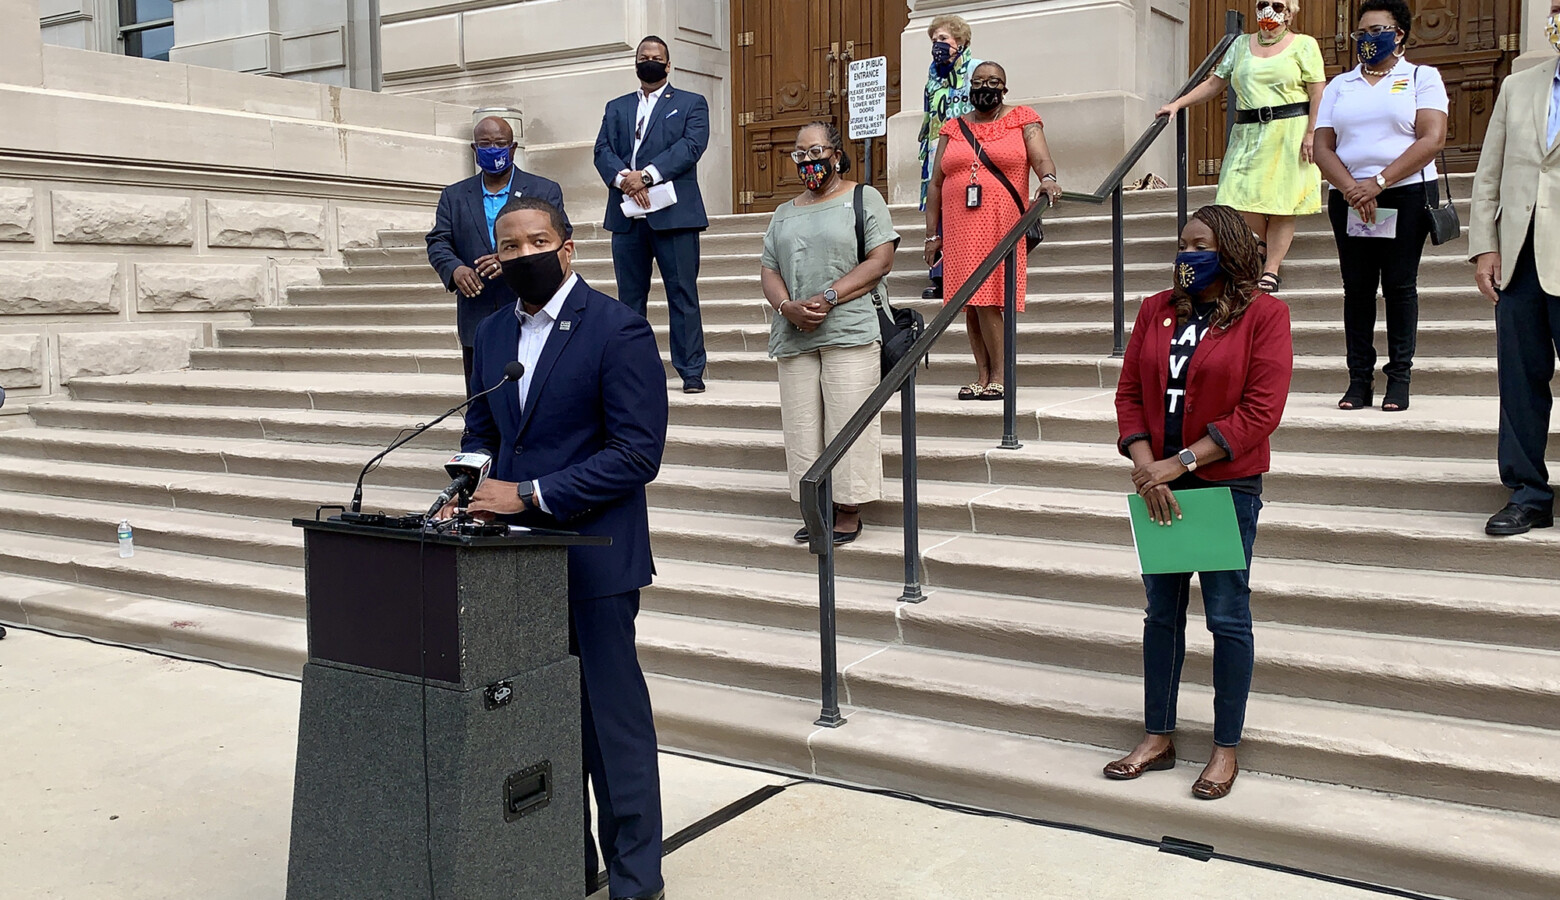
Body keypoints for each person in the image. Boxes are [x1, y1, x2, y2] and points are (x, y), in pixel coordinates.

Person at [456, 196, 669, 900]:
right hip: (513, 565)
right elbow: (485, 426)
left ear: (568, 247)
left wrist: (530, 493)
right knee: (535, 723)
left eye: (536, 242)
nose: (523, 257)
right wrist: (473, 478)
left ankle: (636, 881)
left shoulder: (618, 330)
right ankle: (560, 864)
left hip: (595, 558)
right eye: (509, 248)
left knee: (612, 730)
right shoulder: (489, 334)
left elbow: (637, 455)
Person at [1108, 204, 1294, 800]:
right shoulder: (1154, 311)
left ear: (1232, 249)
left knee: (1226, 617)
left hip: (1224, 487)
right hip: (1158, 485)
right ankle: (1158, 735)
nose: (1186, 254)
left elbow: (1260, 412)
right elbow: (1131, 392)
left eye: (1199, 243)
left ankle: (1223, 748)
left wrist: (1181, 462)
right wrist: (1148, 468)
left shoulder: (1265, 315)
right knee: (1161, 613)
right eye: (1182, 243)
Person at [760, 122, 898, 545]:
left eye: (816, 152)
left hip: (850, 329)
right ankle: (814, 503)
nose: (808, 162)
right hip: (795, 332)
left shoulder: (864, 197)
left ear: (836, 155)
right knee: (801, 426)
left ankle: (848, 507)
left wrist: (830, 296)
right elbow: (769, 269)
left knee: (847, 418)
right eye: (800, 155)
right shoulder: (784, 212)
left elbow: (881, 259)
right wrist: (787, 306)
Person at [1312, 0, 1448, 413]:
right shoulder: (1340, 85)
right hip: (1351, 198)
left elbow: (1431, 138)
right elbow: (1322, 146)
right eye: (1362, 33)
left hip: (1405, 195)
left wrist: (1380, 182)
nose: (1368, 40)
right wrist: (1354, 188)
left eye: (1377, 31)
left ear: (1399, 34)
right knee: (1357, 289)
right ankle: (1359, 380)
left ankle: (1399, 378)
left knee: (1400, 287)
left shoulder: (1422, 77)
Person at [1157, 0, 1324, 292]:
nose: (1267, 10)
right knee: (1234, 196)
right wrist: (1177, 104)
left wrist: (1312, 132)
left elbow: (1317, 91)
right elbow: (1215, 83)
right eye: (1262, 3)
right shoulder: (1240, 45)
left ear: (1289, 12)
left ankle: (1271, 267)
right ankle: (1263, 244)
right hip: (1247, 132)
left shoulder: (1304, 45)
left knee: (1284, 204)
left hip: (1290, 129)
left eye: (1276, 4)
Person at [1469, 1, 1560, 537]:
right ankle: (1527, 493)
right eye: (1554, 8)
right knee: (1521, 383)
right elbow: (1489, 175)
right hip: (1521, 259)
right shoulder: (1517, 86)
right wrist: (1485, 246)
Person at [924, 61, 1062, 402]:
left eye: (994, 81)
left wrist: (1048, 180)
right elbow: (936, 183)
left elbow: (1042, 159)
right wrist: (931, 235)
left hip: (1000, 223)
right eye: (979, 81)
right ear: (970, 86)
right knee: (968, 302)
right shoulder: (953, 128)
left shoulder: (1022, 118)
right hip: (958, 226)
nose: (986, 87)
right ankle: (982, 374)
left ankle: (1000, 375)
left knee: (986, 298)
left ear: (1005, 88)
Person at [593, 35, 710, 394]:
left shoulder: (691, 103)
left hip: (674, 216)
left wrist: (645, 176)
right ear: (636, 65)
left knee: (682, 294)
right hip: (628, 217)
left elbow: (691, 146)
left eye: (656, 57)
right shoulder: (616, 107)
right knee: (629, 299)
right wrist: (625, 182)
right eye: (644, 56)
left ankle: (690, 370)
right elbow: (602, 150)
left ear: (668, 64)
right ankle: (632, 369)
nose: (650, 61)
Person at [425, 115, 570, 388]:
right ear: (474, 149)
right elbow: (438, 241)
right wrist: (455, 269)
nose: (493, 149)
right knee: (480, 391)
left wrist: (514, 260)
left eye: (500, 143)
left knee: (533, 386)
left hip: (531, 305)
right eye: (485, 144)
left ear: (513, 148)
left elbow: (561, 237)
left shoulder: (543, 190)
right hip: (477, 310)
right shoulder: (454, 196)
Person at [917, 14, 981, 300]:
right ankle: (941, 276)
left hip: (967, 149)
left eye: (943, 39)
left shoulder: (976, 70)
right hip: (936, 151)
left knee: (962, 211)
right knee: (939, 212)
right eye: (934, 40)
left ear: (961, 40)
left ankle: (967, 273)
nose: (937, 45)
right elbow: (929, 116)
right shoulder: (932, 78)